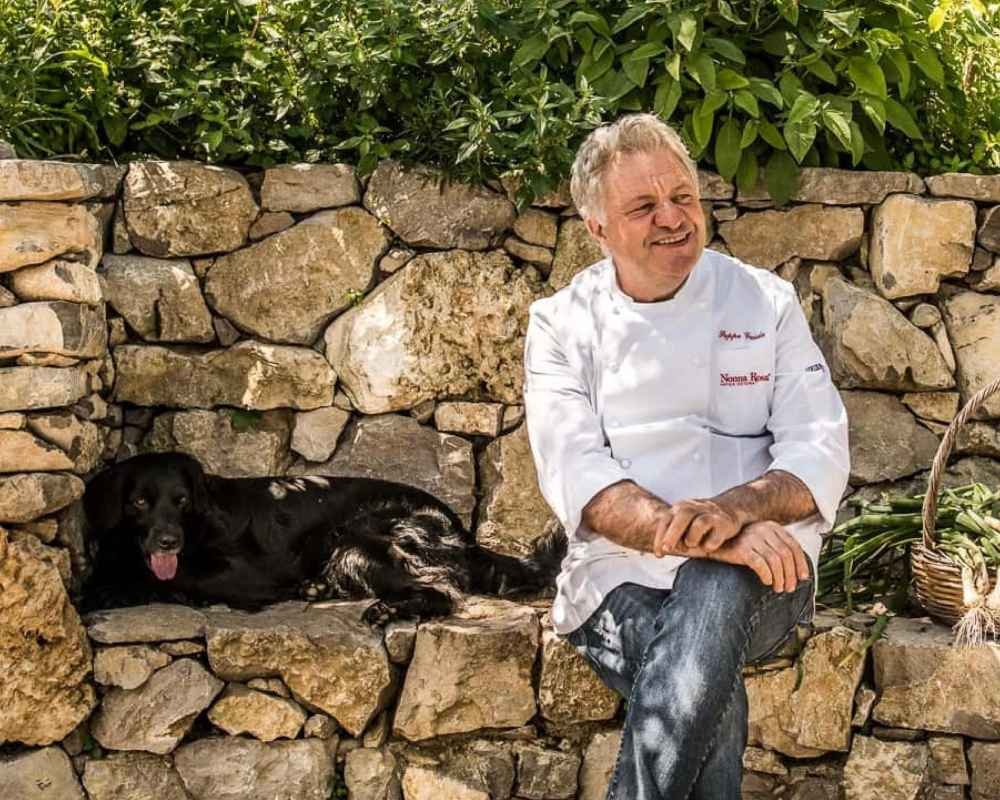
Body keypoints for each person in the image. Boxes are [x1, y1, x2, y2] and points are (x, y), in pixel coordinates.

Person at [522, 113, 850, 800]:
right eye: (643, 206)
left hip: (767, 571)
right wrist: (715, 535)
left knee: (715, 589)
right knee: (706, 685)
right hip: (617, 579)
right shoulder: (562, 325)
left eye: (683, 197)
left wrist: (735, 510)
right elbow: (583, 481)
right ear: (597, 229)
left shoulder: (764, 301)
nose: (672, 218)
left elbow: (818, 443)